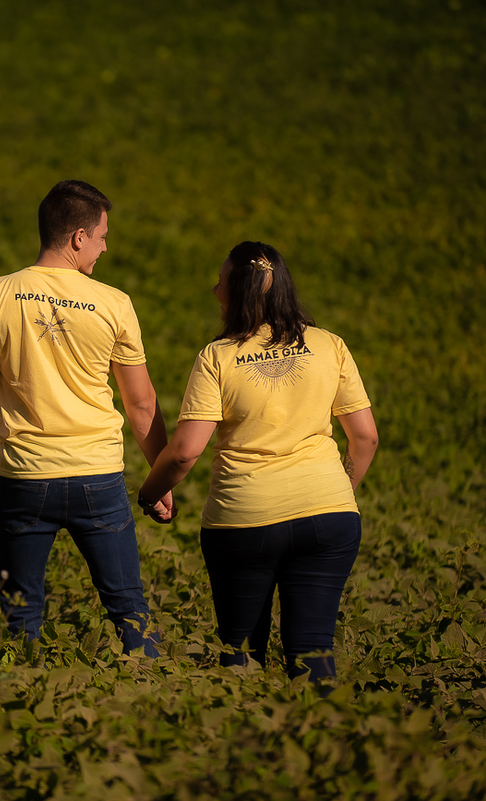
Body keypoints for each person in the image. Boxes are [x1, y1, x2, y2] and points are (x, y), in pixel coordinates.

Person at [0, 180, 175, 657]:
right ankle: (151, 700)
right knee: (129, 607)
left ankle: (19, 705)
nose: (106, 246)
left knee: (20, 613)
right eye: (103, 235)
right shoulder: (113, 302)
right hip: (99, 478)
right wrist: (161, 476)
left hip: (22, 479)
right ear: (78, 236)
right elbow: (141, 404)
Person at [138, 241, 378, 683]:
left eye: (222, 282)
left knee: (241, 657)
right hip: (329, 514)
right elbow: (365, 437)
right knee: (313, 656)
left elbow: (186, 451)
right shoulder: (330, 345)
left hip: (244, 522)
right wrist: (335, 492)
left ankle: (246, 742)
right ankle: (321, 742)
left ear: (240, 294)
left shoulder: (218, 357)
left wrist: (149, 493)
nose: (214, 290)